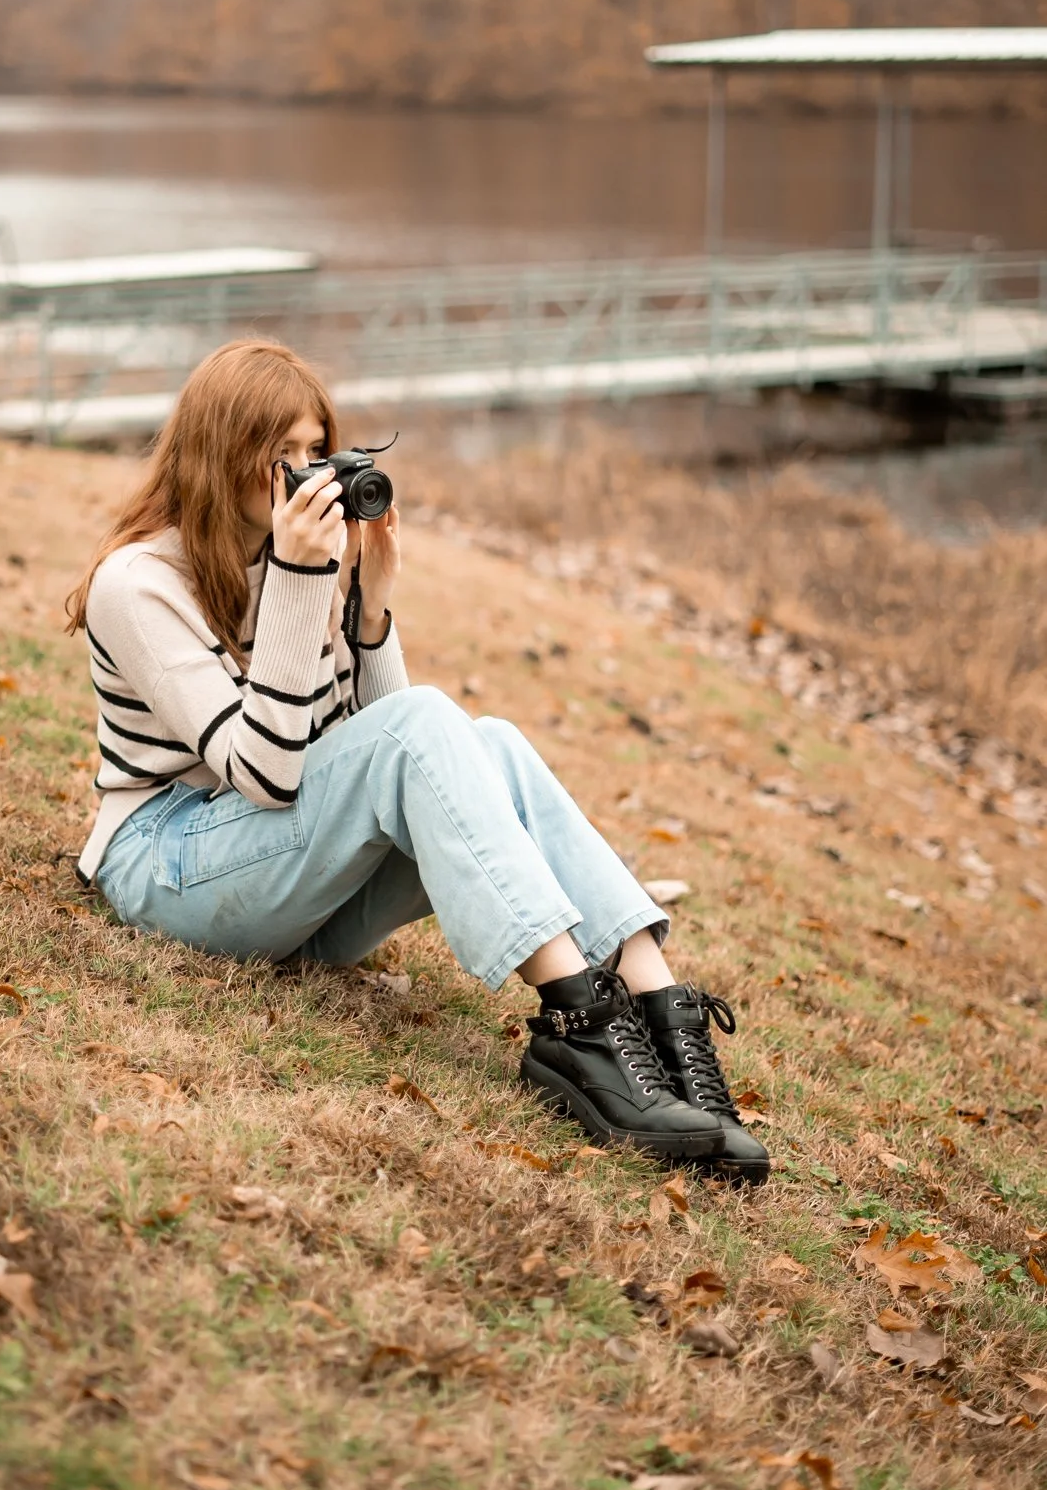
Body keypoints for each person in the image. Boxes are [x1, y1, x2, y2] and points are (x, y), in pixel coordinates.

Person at [66, 339, 767, 1182]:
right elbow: (266, 773)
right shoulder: (137, 582)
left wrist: (368, 607)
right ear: (219, 455)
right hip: (170, 869)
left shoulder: (292, 558)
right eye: (278, 455)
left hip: (282, 888)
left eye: (313, 451)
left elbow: (381, 743)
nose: (304, 476)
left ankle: (662, 1020)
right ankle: (579, 1026)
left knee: (489, 742)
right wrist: (300, 581)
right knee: (436, 726)